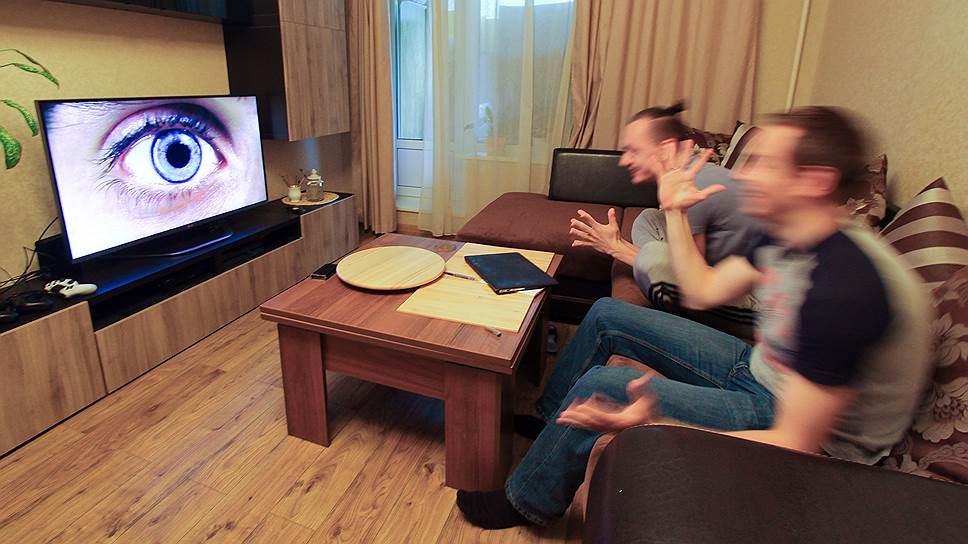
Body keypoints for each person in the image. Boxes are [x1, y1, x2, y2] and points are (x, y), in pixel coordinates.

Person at [456, 106, 934, 529]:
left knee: (606, 385)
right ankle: (552, 423)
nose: (745, 175)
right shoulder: (787, 233)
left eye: (764, 163)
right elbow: (704, 290)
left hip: (801, 424)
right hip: (762, 369)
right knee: (606, 314)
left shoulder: (845, 287)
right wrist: (675, 211)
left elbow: (797, 443)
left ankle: (527, 501)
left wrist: (654, 425)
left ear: (814, 181)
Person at [570, 103, 762, 319]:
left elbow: (690, 279)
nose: (624, 160)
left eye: (634, 151)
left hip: (755, 300)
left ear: (666, 149)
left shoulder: (696, 185)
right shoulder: (687, 177)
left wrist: (616, 248)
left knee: (654, 256)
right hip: (719, 270)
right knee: (648, 219)